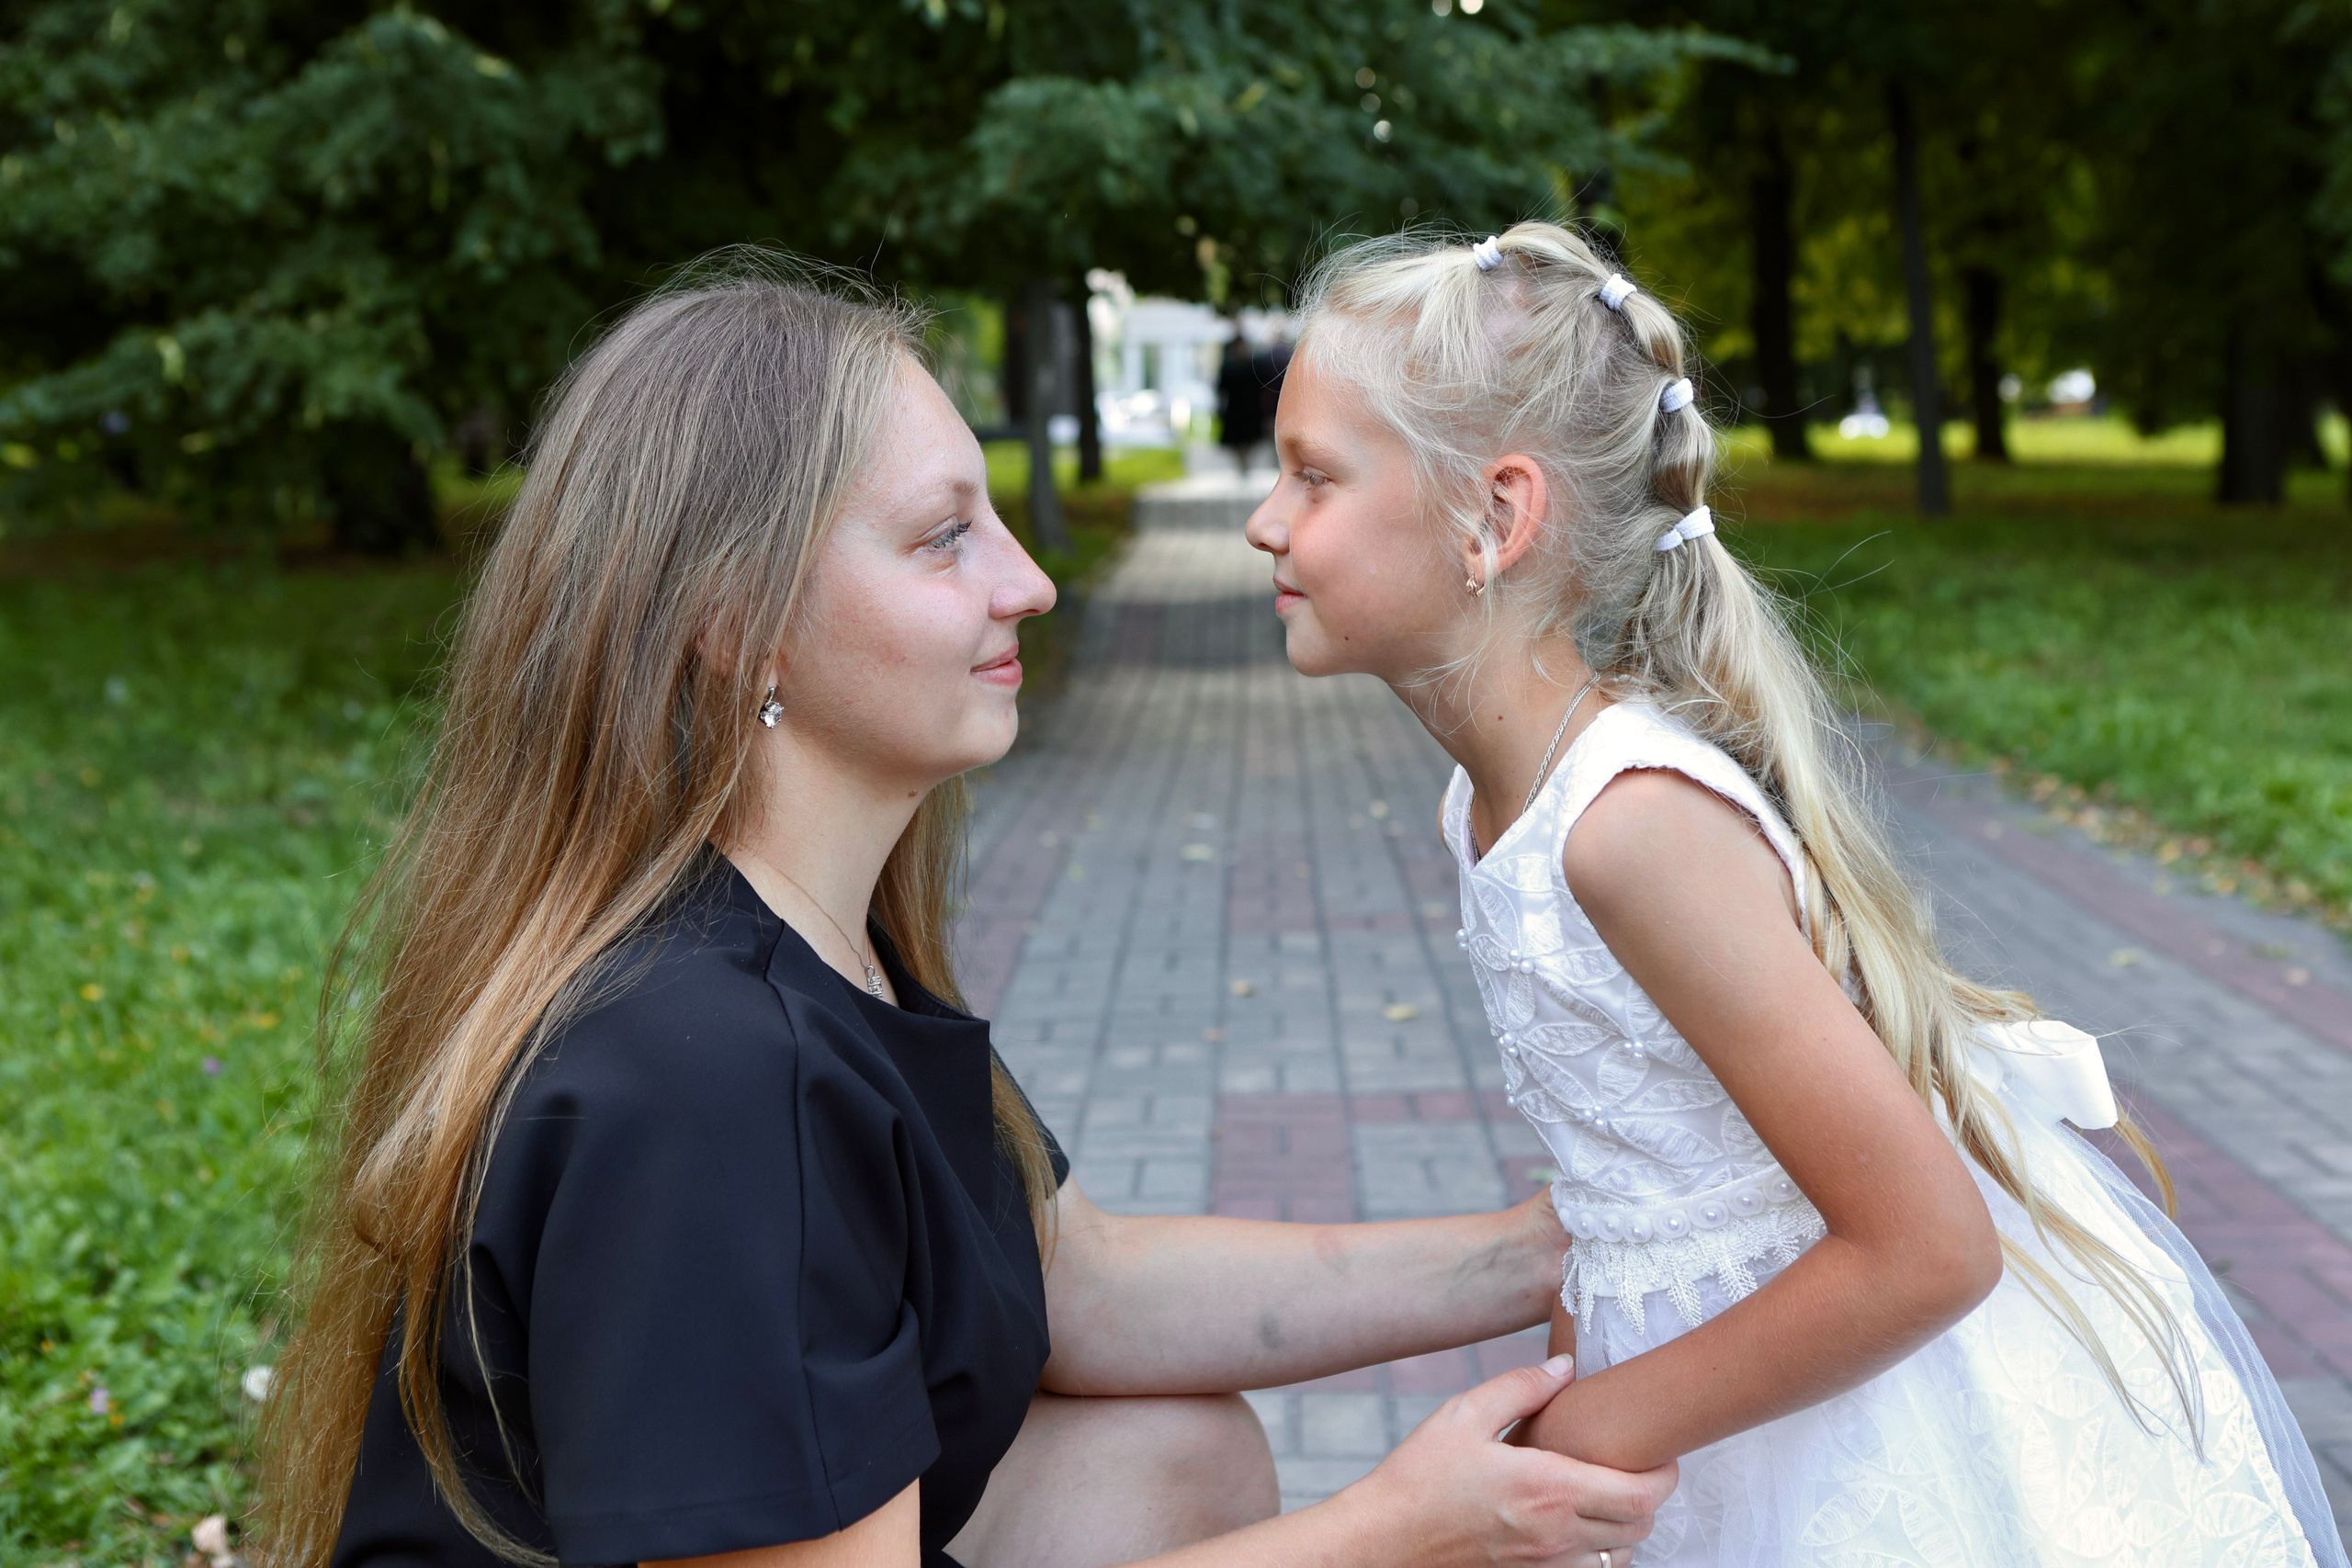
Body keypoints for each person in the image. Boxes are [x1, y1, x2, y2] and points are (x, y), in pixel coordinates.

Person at [257, 255, 1677, 1568]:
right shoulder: (703, 1073)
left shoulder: (807, 943)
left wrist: (1544, 1245)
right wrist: (1391, 1528)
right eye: (945, 538)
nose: (1033, 582)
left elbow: (1083, 1282)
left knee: (1167, 1446)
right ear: (735, 618)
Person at [1244, 220, 2350, 1567]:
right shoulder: (1494, 806)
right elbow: (1630, 1183)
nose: (1265, 518)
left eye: (1314, 475)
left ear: (1496, 515)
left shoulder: (1627, 824)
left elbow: (1929, 1245)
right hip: (1723, 1385)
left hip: (1859, 1426)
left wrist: (1578, 1434)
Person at [1215, 333, 1267, 474]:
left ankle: (1245, 465)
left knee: (1250, 439)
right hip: (1236, 409)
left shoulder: (1253, 365)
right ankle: (1243, 465)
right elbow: (1221, 389)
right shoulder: (1229, 367)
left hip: (1250, 408)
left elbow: (1261, 387)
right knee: (1237, 440)